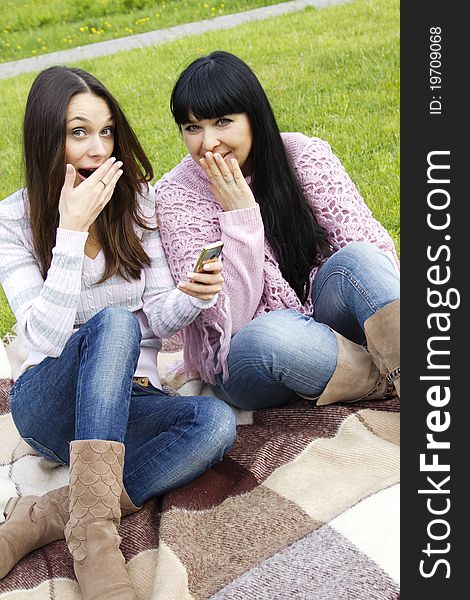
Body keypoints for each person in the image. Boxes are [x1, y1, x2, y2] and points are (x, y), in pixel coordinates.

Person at [0, 66, 236, 599]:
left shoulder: (136, 202)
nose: (96, 147)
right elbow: (42, 338)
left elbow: (152, 321)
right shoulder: (10, 221)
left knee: (214, 423)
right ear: (46, 137)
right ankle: (97, 542)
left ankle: (51, 516)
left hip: (126, 401)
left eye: (106, 131)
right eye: (78, 131)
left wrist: (193, 295)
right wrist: (70, 233)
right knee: (110, 324)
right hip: (48, 404)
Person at [155, 50, 400, 412]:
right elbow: (228, 322)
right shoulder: (177, 196)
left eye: (222, 122)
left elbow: (376, 257)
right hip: (247, 357)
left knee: (359, 259)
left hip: (325, 316)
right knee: (274, 334)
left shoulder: (304, 156)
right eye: (193, 128)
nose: (207, 143)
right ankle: (380, 377)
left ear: (254, 118)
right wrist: (240, 217)